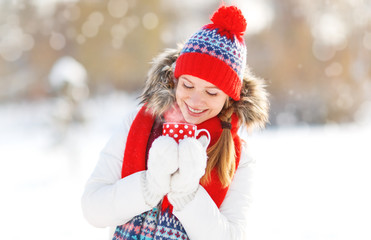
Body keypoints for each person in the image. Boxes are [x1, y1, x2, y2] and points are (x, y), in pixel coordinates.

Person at [81, 4, 269, 240]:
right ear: (175, 80)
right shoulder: (138, 125)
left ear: (229, 98)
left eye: (212, 93)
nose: (195, 100)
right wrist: (149, 186)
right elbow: (93, 208)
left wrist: (188, 195)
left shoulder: (239, 155)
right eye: (188, 85)